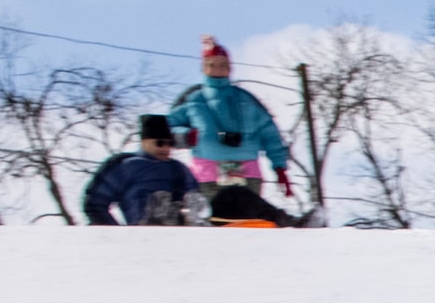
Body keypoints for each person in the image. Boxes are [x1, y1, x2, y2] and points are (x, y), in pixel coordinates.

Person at [166, 35, 298, 221]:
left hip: (247, 174)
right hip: (208, 176)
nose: (217, 69)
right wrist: (186, 137)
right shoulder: (194, 101)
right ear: (204, 68)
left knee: (247, 217)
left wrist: (279, 167)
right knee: (213, 218)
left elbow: (270, 133)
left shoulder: (246, 100)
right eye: (212, 64)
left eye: (222, 64)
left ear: (230, 67)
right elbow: (166, 127)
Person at [80, 115, 200, 226]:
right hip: (142, 235)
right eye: (160, 143)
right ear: (144, 143)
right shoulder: (125, 165)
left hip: (180, 236)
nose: (166, 147)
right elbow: (95, 203)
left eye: (170, 143)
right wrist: (116, 234)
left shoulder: (179, 168)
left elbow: (196, 201)